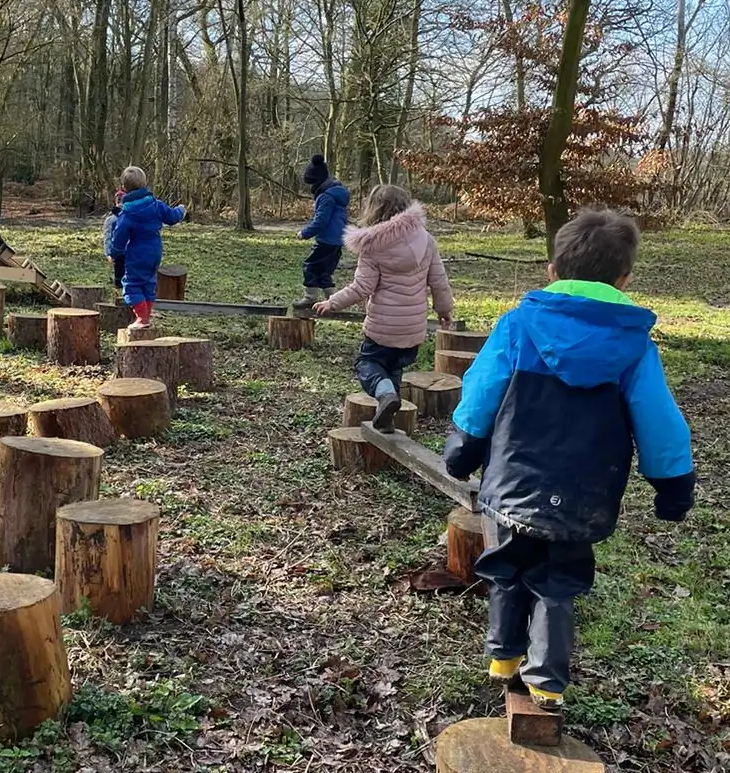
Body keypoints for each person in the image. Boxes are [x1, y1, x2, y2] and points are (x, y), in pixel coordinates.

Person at [444, 208, 695, 711]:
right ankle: (547, 681)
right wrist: (673, 482)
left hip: (514, 481)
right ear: (624, 279)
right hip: (585, 492)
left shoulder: (517, 327)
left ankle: (503, 655)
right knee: (558, 581)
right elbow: (657, 417)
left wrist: (462, 448)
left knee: (508, 563)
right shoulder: (633, 347)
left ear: (552, 271)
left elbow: (480, 395)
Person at [315, 185, 453, 429]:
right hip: (413, 329)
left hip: (384, 328)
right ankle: (387, 417)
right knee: (393, 368)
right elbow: (439, 281)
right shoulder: (425, 238)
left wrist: (332, 302)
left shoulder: (373, 245)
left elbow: (361, 288)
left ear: (374, 209)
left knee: (367, 365)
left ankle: (386, 396)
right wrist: (443, 310)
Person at [108, 166, 186, 330]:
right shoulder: (156, 205)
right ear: (145, 184)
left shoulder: (127, 213)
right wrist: (181, 210)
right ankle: (146, 317)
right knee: (149, 282)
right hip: (155, 251)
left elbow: (119, 237)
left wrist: (113, 252)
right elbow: (172, 217)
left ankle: (142, 318)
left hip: (137, 253)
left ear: (124, 188)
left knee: (131, 284)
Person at [294, 154, 350, 313]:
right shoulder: (336, 193)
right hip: (336, 241)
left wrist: (304, 233)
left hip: (326, 240)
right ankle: (333, 302)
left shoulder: (326, 196)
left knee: (310, 266)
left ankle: (310, 298)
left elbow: (321, 221)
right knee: (324, 271)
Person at [102, 191, 126, 291]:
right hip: (118, 253)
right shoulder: (111, 219)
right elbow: (107, 237)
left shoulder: (130, 217)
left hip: (130, 253)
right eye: (119, 199)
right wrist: (108, 253)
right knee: (119, 278)